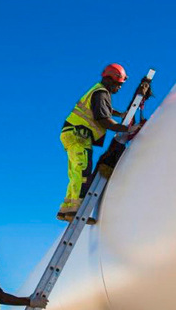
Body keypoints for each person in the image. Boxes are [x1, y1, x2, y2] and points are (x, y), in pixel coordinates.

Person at [56, 63, 141, 222]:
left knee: (76, 172)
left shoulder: (98, 91)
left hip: (73, 134)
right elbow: (103, 119)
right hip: (78, 135)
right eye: (118, 84)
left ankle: (66, 210)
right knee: (82, 172)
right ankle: (76, 212)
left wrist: (120, 114)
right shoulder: (101, 93)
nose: (119, 88)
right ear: (110, 80)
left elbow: (104, 110)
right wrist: (127, 129)